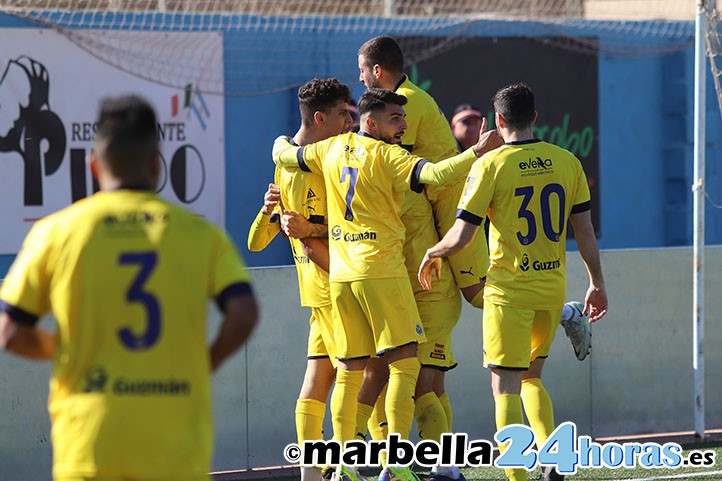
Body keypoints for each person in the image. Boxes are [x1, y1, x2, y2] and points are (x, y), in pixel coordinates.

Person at [0, 95, 258, 481]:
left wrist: (72, 349)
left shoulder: (55, 232)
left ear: (93, 166)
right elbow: (244, 313)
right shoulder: (200, 235)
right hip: (175, 448)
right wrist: (207, 361)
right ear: (157, 165)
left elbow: (10, 331)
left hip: (88, 444)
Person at [273, 88, 503, 481]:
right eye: (396, 118)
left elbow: (285, 154)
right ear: (372, 122)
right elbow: (436, 173)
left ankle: (343, 466)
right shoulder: (389, 156)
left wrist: (279, 140)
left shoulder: (330, 148)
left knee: (349, 371)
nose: (403, 127)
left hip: (343, 278)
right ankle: (393, 463)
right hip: (381, 272)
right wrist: (477, 152)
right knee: (406, 364)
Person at [418, 83, 607, 481]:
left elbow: (463, 234)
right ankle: (553, 461)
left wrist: (434, 252)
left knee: (505, 388)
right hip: (551, 290)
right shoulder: (566, 160)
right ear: (534, 117)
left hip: (508, 293)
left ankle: (518, 477)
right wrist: (596, 283)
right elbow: (585, 232)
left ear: (498, 121)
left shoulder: (490, 164)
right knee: (532, 378)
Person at [247, 77, 353, 481]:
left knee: (317, 382)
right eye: (343, 114)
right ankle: (357, 466)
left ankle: (313, 472)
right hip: (336, 287)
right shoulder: (314, 165)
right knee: (361, 372)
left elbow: (264, 238)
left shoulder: (286, 159)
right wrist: (309, 229)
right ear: (321, 117)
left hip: (316, 294)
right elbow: (328, 231)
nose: (350, 121)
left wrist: (285, 219)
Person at [357, 36, 488, 309]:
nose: (360, 78)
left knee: (477, 292)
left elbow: (391, 166)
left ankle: (565, 313)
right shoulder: (402, 98)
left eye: (362, 70)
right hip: (436, 199)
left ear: (377, 70)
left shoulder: (405, 102)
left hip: (453, 198)